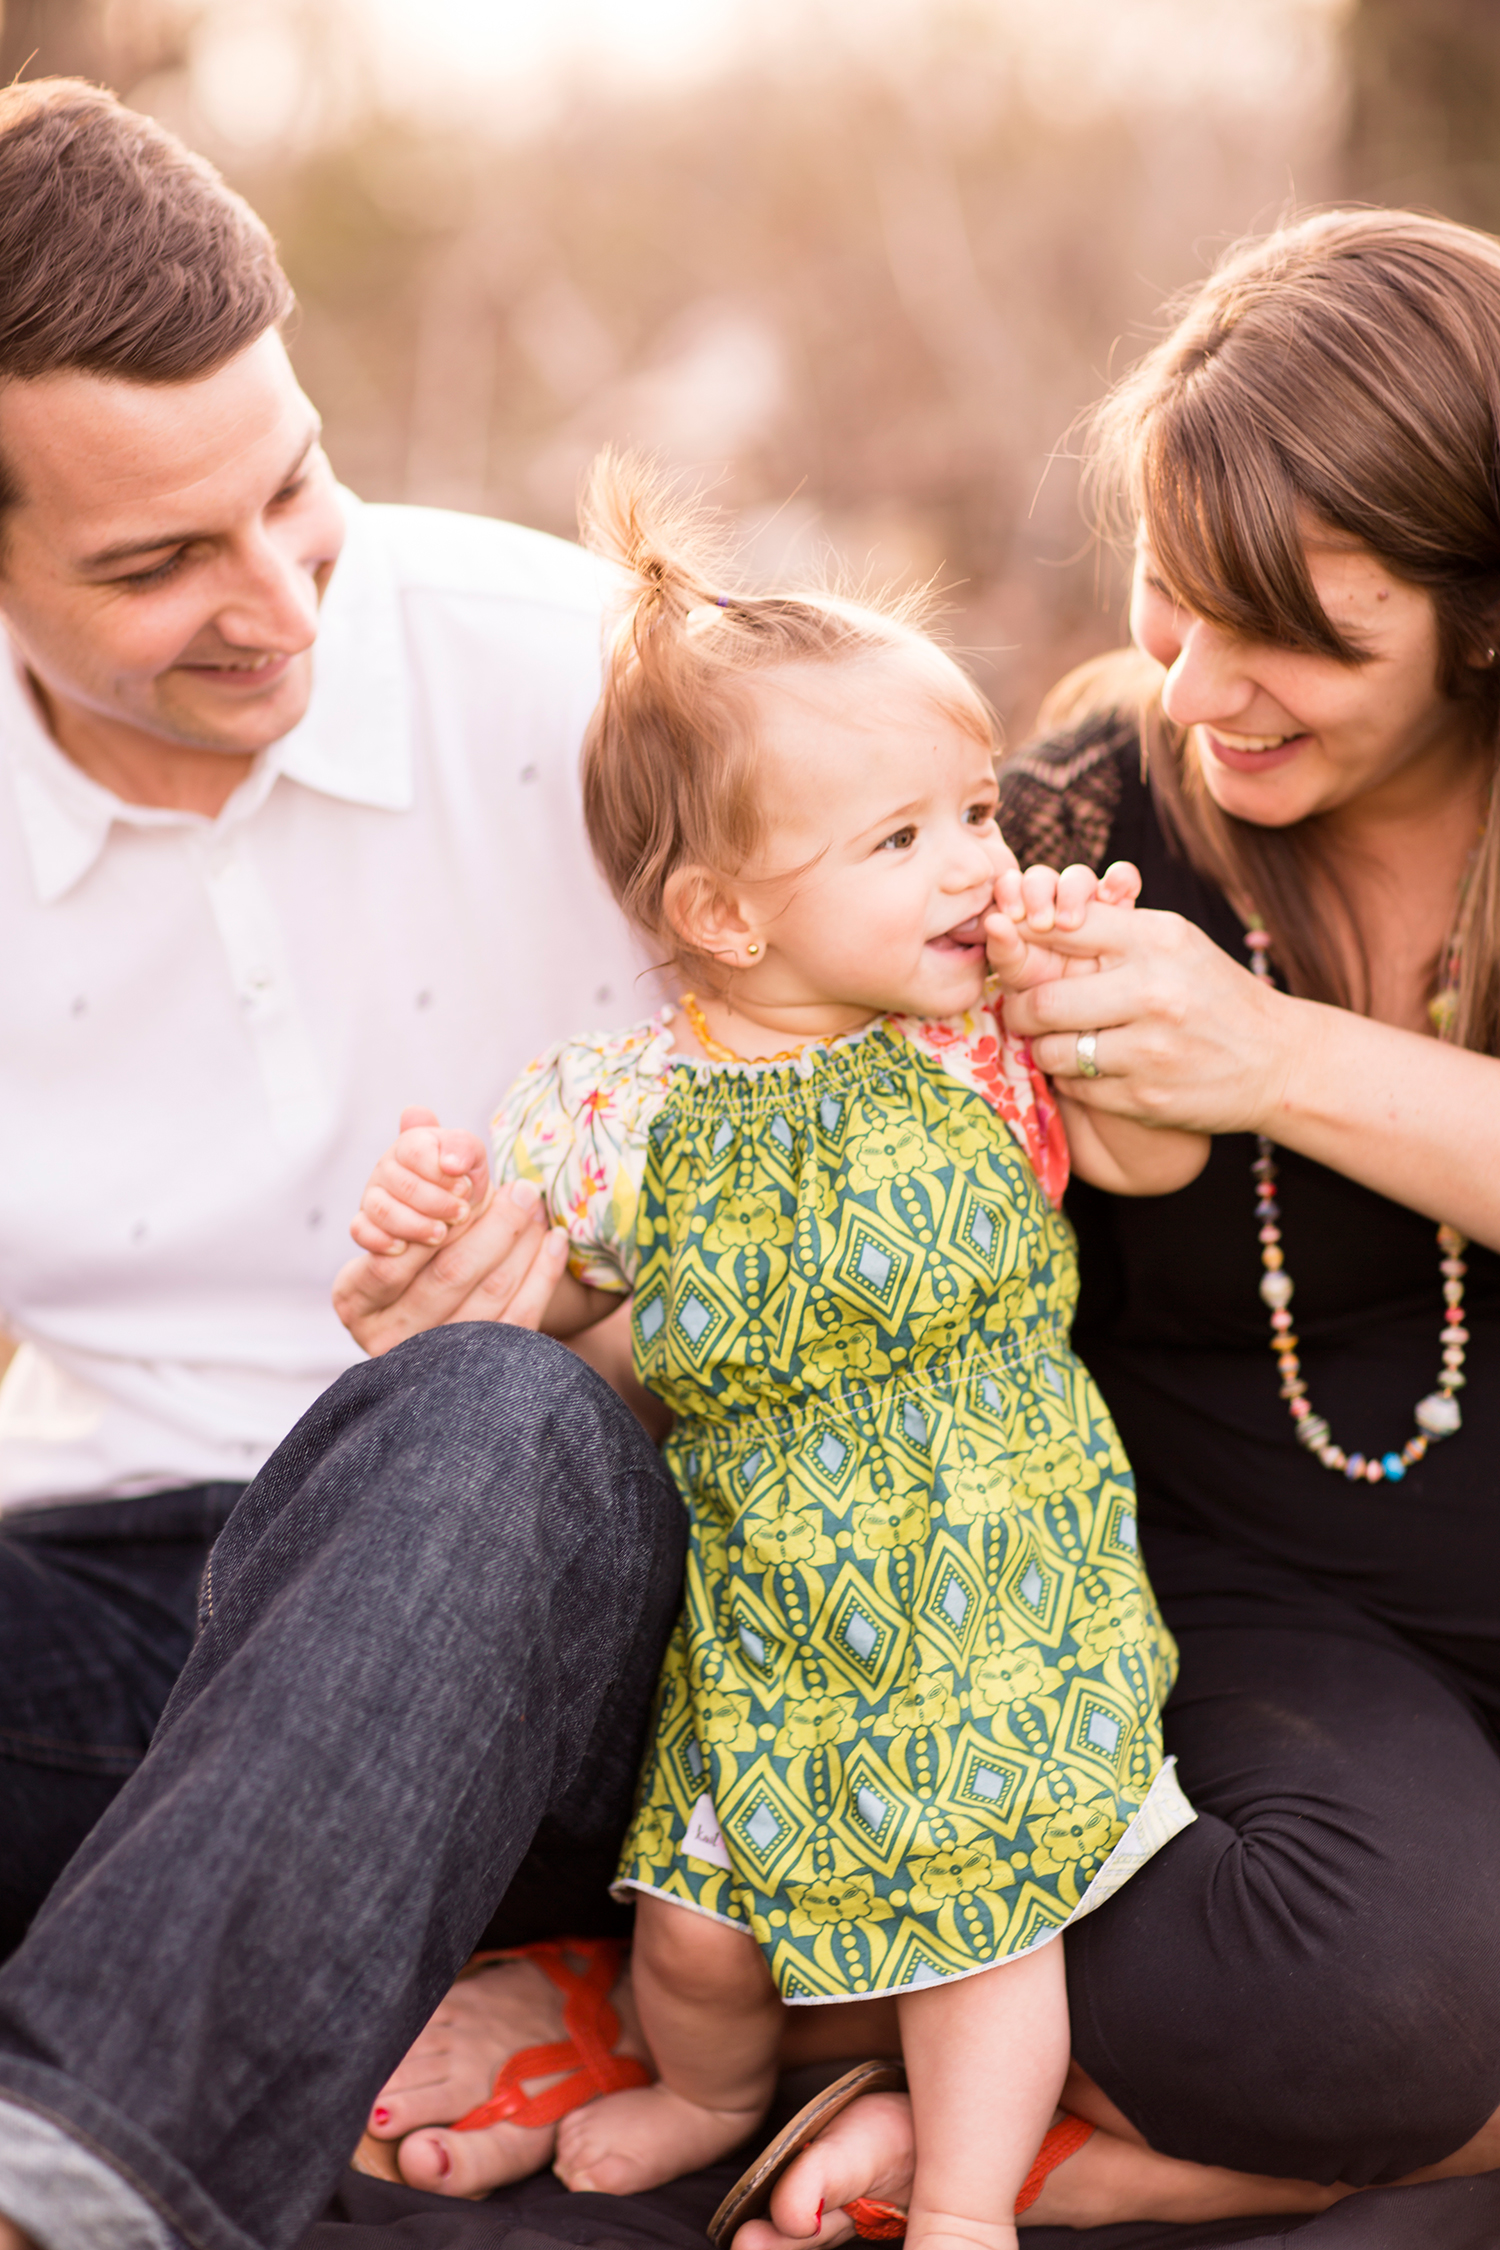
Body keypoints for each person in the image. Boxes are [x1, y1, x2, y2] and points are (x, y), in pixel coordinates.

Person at [353, 451, 1318, 2250]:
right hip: (771, 1618)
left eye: (977, 811)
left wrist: (1087, 995)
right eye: (905, 840)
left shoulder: (983, 1045)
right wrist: (447, 1238)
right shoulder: (620, 1105)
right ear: (725, 915)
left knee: (978, 1934)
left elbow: (1149, 1162)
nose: (978, 859)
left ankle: (966, 2198)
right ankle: (709, 2089)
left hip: (987, 1595)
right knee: (701, 1934)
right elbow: (559, 1301)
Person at [667, 205, 1500, 2246]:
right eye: (1168, 592)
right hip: (1241, 1624)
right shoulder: (1064, 835)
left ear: (1482, 619)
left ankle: (1064, 2152)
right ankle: (989, 2058)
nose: (1202, 679)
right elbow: (777, 1078)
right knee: (1379, 1996)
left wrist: (1272, 1063)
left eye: (1296, 627)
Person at [0, 74, 649, 1960]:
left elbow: (926, 1170)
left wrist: (603, 1334)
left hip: (592, 1622)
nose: (279, 601)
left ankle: (74, 2175)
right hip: (129, 1605)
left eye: (292, 485)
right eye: (154, 564)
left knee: (484, 1406)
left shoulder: (597, 678)